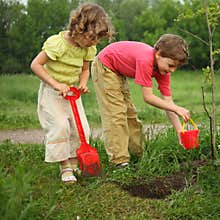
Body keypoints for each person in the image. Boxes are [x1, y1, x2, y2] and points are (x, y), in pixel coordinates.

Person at [30, 3, 113, 183]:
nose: (94, 43)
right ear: (79, 28)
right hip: (53, 93)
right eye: (92, 38)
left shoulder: (88, 48)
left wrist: (83, 84)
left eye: (97, 40)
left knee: (81, 128)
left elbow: (85, 69)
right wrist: (55, 84)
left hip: (72, 93)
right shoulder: (58, 44)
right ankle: (65, 166)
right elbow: (35, 65)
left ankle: (76, 162)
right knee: (61, 126)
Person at [91, 34, 190, 168]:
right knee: (116, 115)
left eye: (175, 67)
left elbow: (168, 103)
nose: (172, 70)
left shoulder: (163, 72)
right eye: (171, 65)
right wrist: (176, 108)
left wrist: (180, 131)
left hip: (118, 72)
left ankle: (139, 155)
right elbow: (148, 97)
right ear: (158, 54)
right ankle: (119, 161)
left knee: (130, 115)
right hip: (105, 66)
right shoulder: (146, 60)